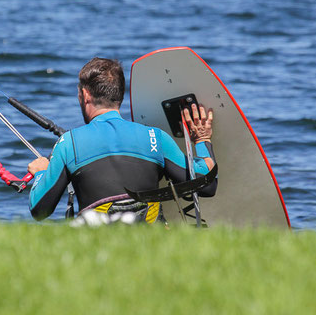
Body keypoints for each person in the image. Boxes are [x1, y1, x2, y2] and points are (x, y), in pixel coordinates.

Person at [27, 57, 216, 222]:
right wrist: (202, 139)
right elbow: (207, 186)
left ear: (84, 95)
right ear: (120, 95)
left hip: (97, 250)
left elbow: (39, 210)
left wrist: (41, 174)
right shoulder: (155, 138)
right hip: (150, 246)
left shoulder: (69, 143)